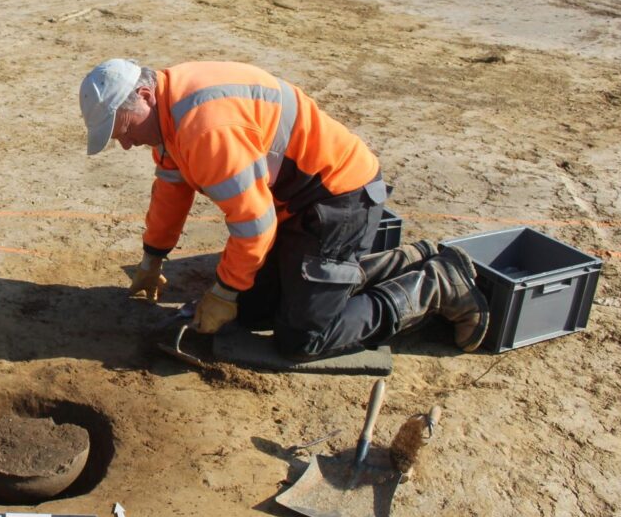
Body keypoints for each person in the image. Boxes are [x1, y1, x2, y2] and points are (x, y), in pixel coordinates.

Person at [78, 58, 490, 360]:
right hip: (295, 205)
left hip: (339, 200)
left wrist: (223, 292)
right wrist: (153, 255)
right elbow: (171, 190)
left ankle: (434, 282)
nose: (126, 144)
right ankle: (399, 261)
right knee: (254, 308)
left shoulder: (206, 128)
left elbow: (254, 226)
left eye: (124, 131)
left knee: (303, 338)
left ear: (145, 95)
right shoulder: (170, 111)